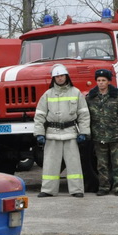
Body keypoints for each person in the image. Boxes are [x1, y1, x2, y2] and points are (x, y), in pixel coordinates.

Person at [33, 64, 90, 198]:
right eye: (57, 76)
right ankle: (48, 190)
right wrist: (39, 133)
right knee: (50, 164)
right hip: (52, 133)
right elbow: (39, 116)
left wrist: (84, 132)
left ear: (66, 77)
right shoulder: (47, 94)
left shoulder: (76, 93)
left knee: (74, 164)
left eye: (62, 76)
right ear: (53, 78)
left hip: (70, 133)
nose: (60, 78)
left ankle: (77, 190)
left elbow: (83, 114)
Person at [86, 69, 118, 196]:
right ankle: (104, 186)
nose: (101, 83)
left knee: (117, 163)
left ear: (109, 81)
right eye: (98, 80)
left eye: (103, 80)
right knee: (101, 164)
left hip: (115, 136)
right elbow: (86, 117)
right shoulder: (90, 98)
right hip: (98, 136)